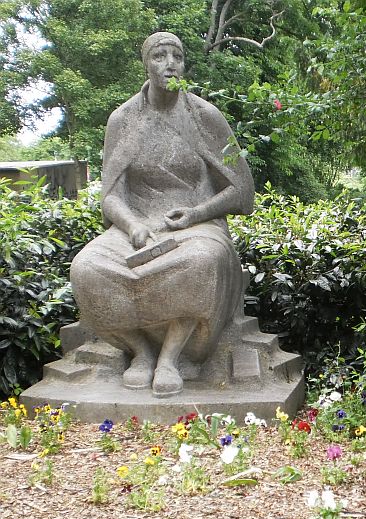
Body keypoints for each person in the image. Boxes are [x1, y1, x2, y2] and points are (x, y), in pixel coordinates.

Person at [70, 32, 254, 397]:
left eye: (177, 56)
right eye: (160, 56)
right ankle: (141, 352)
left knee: (202, 261)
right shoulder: (122, 120)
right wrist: (132, 223)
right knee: (86, 267)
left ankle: (171, 357)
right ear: (146, 64)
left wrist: (196, 212)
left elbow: (242, 191)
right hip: (135, 228)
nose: (170, 63)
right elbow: (111, 198)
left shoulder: (205, 116)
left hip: (197, 225)